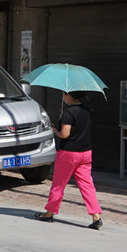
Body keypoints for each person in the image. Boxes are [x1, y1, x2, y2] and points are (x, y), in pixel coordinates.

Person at [36, 90, 102, 229]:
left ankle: (49, 213)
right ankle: (96, 216)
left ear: (70, 95)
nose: (63, 97)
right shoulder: (86, 110)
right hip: (85, 152)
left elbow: (65, 134)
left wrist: (56, 129)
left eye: (64, 94)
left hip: (69, 153)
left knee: (59, 184)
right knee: (87, 185)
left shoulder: (69, 113)